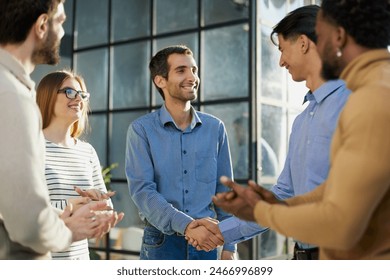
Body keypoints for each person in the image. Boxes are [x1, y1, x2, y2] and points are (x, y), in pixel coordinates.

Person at [214, 0, 390, 260]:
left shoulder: (370, 97)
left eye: (322, 33)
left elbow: (341, 221)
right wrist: (261, 207)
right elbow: (328, 191)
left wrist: (261, 212)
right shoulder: (317, 112)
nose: (281, 62)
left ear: (337, 36)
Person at [188, 5, 351, 260]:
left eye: (283, 50)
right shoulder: (301, 122)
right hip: (303, 256)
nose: (281, 61)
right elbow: (282, 195)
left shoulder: (356, 103)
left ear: (304, 44)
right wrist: (223, 231)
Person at [0, 0, 122, 259]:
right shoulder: (11, 96)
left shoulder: (13, 92)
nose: (65, 32)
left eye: (81, 94)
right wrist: (70, 225)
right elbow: (23, 217)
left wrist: (84, 210)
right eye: (62, 22)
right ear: (43, 25)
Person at [125, 45, 236, 260]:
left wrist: (230, 246)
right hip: (161, 243)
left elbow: (225, 192)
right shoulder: (141, 130)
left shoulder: (216, 128)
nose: (192, 77)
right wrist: (187, 226)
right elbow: (143, 192)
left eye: (194, 70)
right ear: (160, 81)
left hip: (208, 242)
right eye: (181, 70)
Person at [36, 69, 124, 259]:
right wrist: (71, 206)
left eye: (82, 94)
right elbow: (20, 209)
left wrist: (97, 203)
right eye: (69, 92)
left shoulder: (87, 151)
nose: (78, 98)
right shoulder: (30, 146)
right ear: (47, 96)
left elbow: (105, 206)